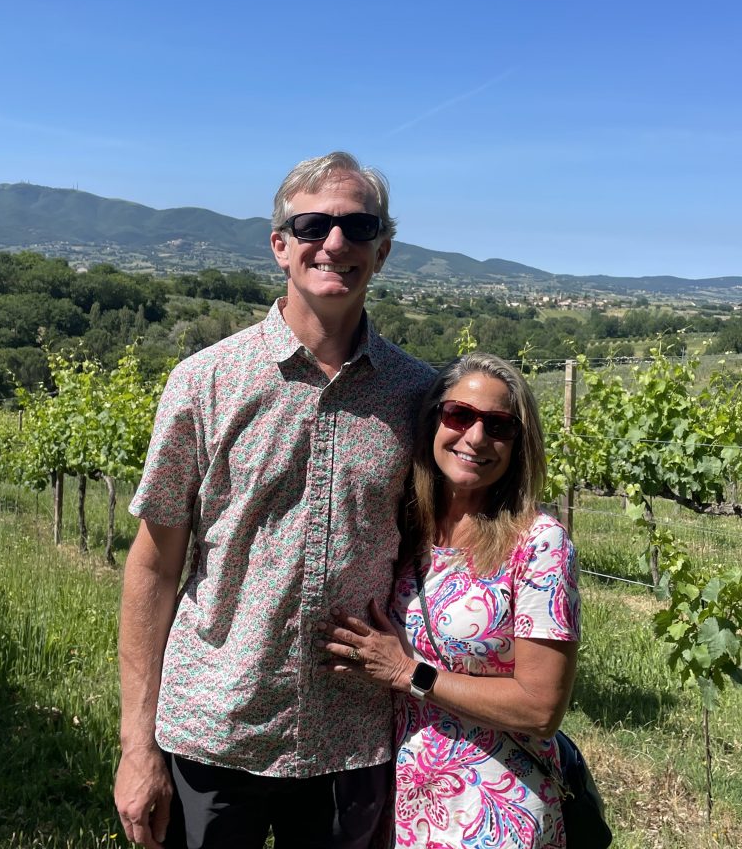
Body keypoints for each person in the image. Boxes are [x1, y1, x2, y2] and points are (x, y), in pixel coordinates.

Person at [114, 151, 435, 849]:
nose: (335, 242)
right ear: (280, 246)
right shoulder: (205, 382)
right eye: (312, 225)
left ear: (382, 249)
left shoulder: (418, 396)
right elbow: (154, 566)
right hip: (212, 724)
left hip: (349, 736)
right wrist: (137, 746)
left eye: (358, 226)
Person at [321, 353, 581, 848]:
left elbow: (541, 708)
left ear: (519, 445)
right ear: (433, 422)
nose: (476, 437)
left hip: (495, 813)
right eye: (460, 415)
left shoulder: (538, 544)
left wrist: (408, 672)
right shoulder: (406, 530)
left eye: (499, 426)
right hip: (406, 804)